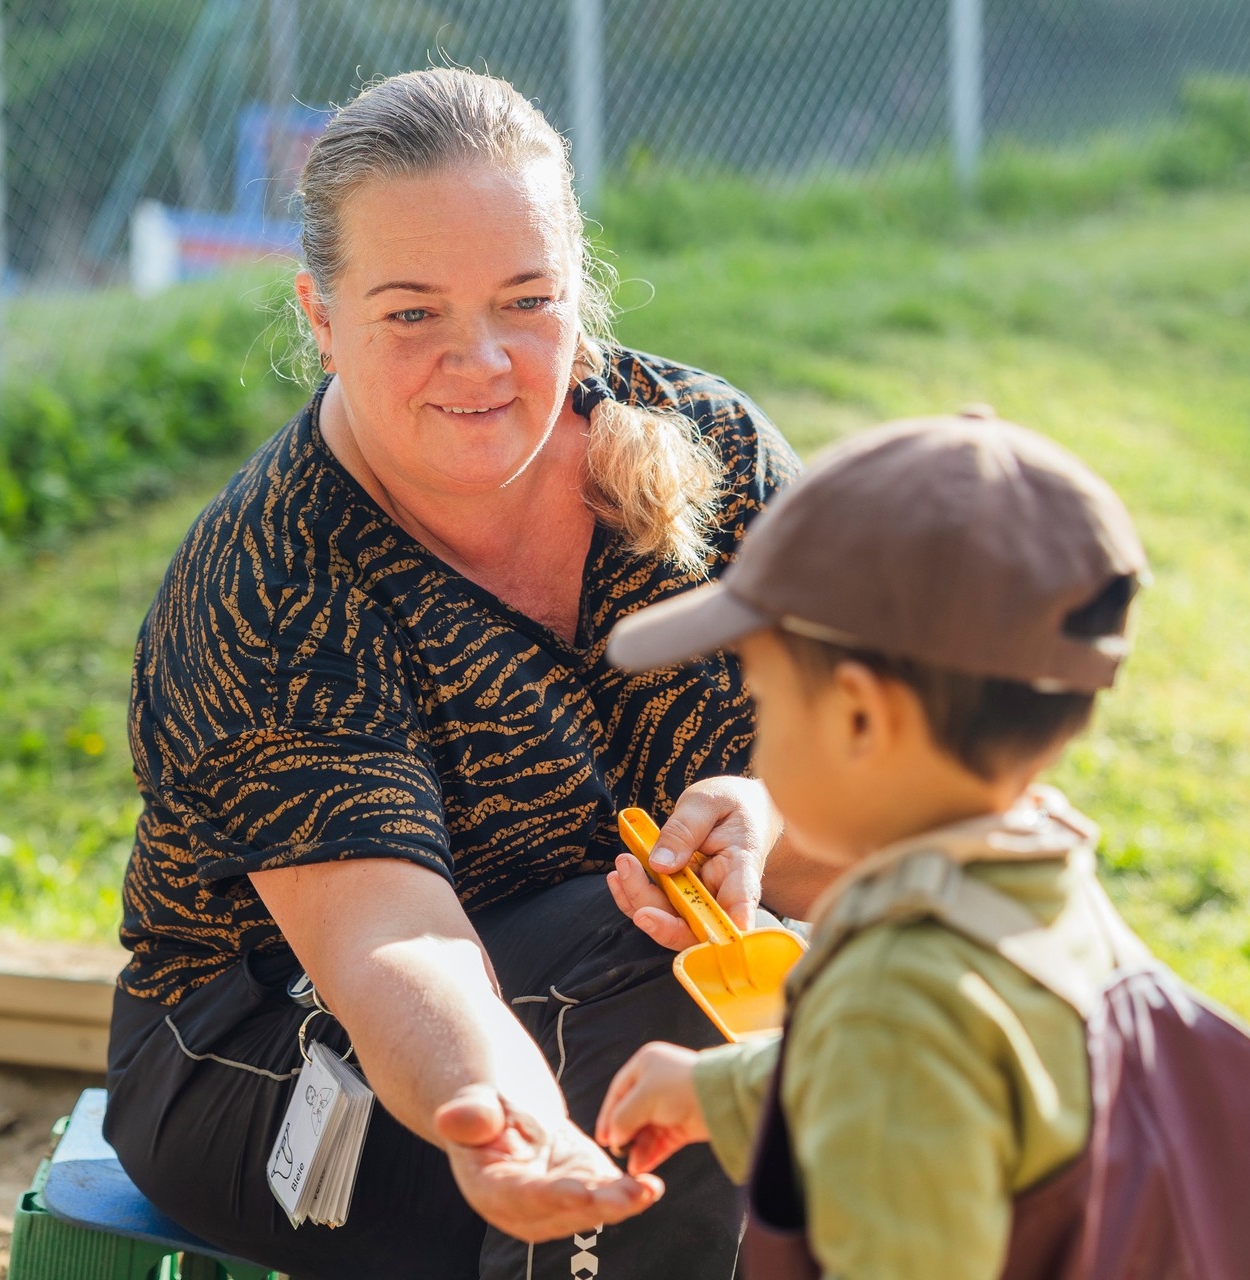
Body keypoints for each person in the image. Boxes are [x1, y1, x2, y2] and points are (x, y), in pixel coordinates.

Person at [101, 68, 830, 1279]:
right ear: (319, 318)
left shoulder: (716, 449)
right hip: (276, 1052)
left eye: (524, 299)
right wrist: (500, 1119)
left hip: (606, 987)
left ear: (578, 297)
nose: (478, 360)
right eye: (410, 314)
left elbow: (889, 779)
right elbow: (394, 944)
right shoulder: (271, 578)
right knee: (672, 997)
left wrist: (773, 804)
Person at [596, 412, 1250, 1279]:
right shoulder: (1036, 891)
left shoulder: (897, 997)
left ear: (858, 716)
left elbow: (901, 1053)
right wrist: (724, 1092)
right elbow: (932, 1072)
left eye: (767, 704)